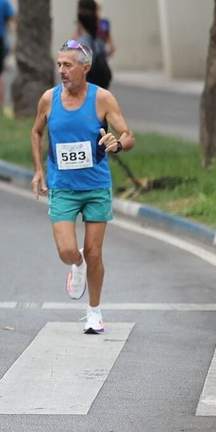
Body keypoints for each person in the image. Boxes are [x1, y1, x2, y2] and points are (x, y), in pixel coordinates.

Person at [31, 41, 134, 334]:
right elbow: (36, 131)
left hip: (96, 186)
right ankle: (76, 265)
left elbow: (128, 135)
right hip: (62, 186)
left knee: (95, 252)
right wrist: (39, 169)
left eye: (68, 65)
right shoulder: (48, 100)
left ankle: (94, 311)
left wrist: (117, 144)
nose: (62, 71)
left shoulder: (102, 99)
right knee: (67, 250)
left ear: (85, 68)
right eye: (59, 65)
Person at [75, 0, 112, 91]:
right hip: (100, 78)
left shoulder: (83, 40)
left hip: (88, 83)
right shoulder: (101, 30)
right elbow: (111, 48)